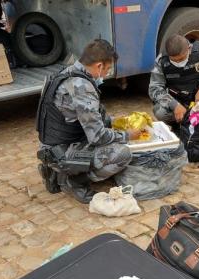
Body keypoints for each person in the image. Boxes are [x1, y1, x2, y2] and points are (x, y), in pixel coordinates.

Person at [36, 39, 140, 204]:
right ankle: (73, 180)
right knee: (123, 154)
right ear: (99, 66)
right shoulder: (81, 86)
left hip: (51, 146)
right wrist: (127, 135)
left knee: (106, 124)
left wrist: (114, 121)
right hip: (63, 151)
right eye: (107, 69)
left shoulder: (65, 72)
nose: (106, 74)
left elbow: (84, 117)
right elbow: (97, 136)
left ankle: (56, 171)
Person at [149, 34, 199, 129]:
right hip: (178, 100)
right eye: (174, 61)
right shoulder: (162, 61)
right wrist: (174, 105)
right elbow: (155, 88)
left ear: (188, 48)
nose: (179, 63)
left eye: (181, 59)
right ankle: (179, 127)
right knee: (160, 112)